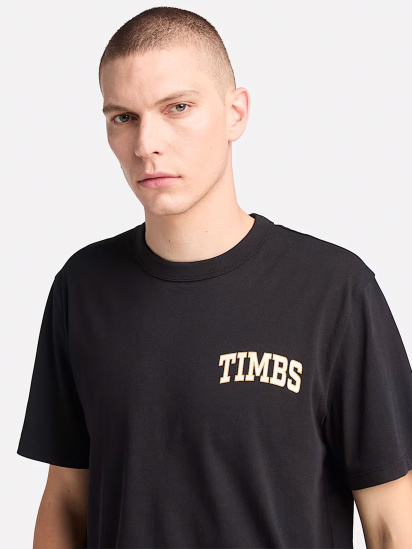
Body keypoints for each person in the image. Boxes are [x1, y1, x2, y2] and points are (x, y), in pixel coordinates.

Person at [17, 6, 412, 549]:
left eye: (177, 107)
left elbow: (393, 521)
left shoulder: (335, 292)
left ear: (235, 113)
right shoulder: (81, 288)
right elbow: (66, 499)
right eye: (123, 117)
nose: (146, 144)